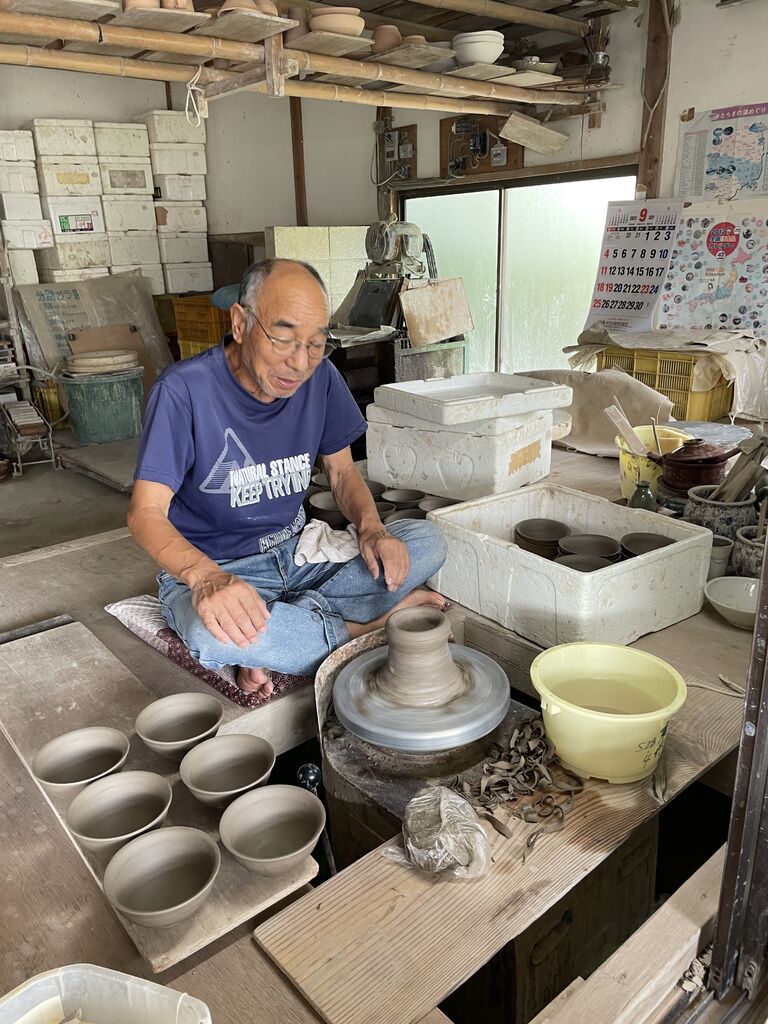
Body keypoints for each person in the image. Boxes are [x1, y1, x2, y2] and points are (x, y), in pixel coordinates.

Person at [128, 258, 448, 700]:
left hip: (298, 557)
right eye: (283, 338)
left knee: (426, 542)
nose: (300, 363)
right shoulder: (183, 392)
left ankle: (285, 631)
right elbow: (145, 514)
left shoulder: (320, 379)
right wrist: (204, 578)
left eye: (316, 344)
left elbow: (341, 473)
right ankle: (365, 627)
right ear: (240, 323)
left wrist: (373, 530)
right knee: (208, 633)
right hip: (220, 568)